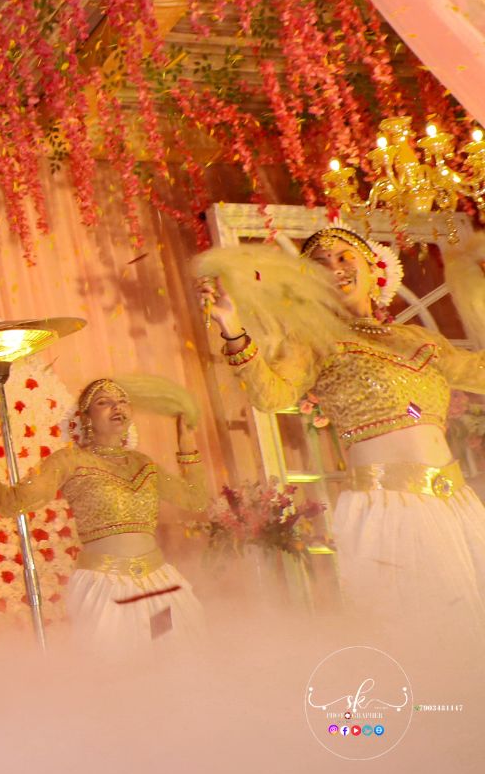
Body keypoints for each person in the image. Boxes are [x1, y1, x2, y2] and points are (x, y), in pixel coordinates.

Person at [201, 227, 485, 643]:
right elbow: (270, 394)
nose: (334, 268)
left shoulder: (420, 340)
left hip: (457, 504)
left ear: (374, 268)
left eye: (343, 256)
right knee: (424, 635)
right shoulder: (316, 342)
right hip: (389, 506)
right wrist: (232, 328)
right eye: (320, 263)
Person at [0, 374, 209, 651]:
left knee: (171, 660)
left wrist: (185, 442)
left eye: (122, 401)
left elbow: (196, 500)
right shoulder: (69, 461)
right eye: (104, 402)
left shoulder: (144, 464)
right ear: (86, 417)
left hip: (159, 583)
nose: (117, 407)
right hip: (106, 584)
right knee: (123, 672)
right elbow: (11, 503)